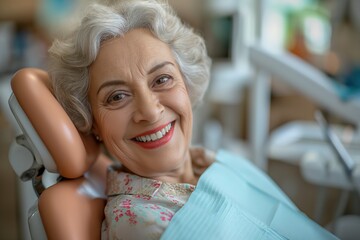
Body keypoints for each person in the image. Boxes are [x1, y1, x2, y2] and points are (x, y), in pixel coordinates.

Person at [36, 0, 338, 239]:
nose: (150, 111)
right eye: (117, 97)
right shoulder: (144, 226)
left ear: (187, 82)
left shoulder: (209, 160)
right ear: (92, 123)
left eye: (162, 79)